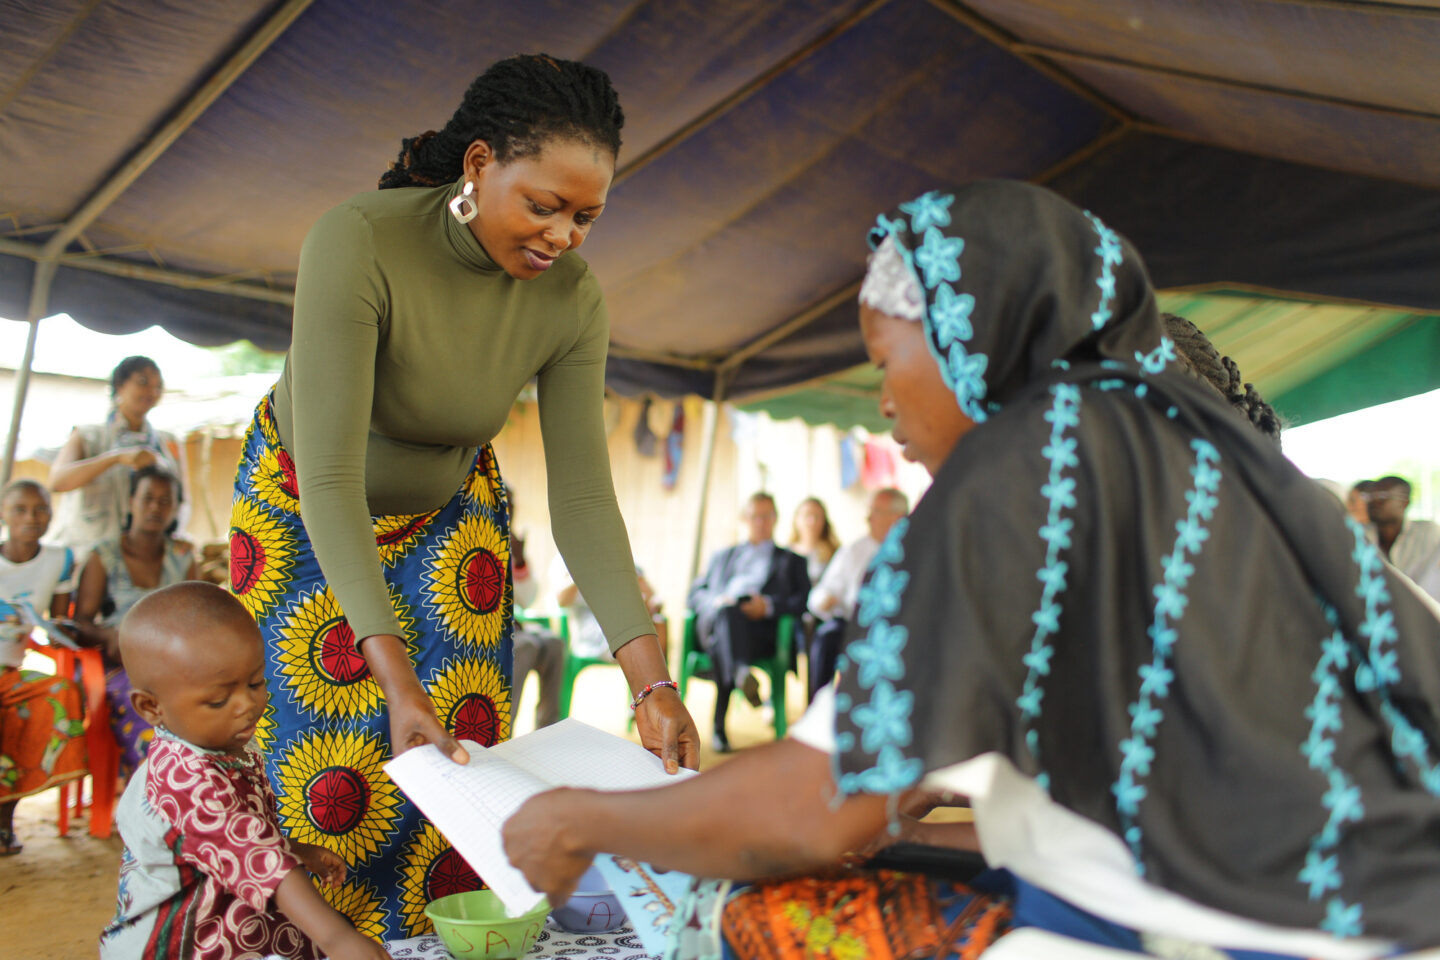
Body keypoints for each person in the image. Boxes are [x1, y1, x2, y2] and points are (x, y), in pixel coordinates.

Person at [502, 183, 1440, 957]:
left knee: (735, 920)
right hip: (1386, 913)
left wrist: (580, 819)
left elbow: (814, 806)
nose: (881, 402)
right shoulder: (1194, 452)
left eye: (883, 356)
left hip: (1244, 933)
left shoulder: (1028, 469)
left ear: (972, 335)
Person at [226, 53, 697, 937]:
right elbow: (328, 476)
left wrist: (651, 682)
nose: (563, 236)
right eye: (544, 206)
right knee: (328, 785)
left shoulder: (573, 300)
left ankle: (438, 947)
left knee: (463, 765)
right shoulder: (357, 239)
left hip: (451, 514)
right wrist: (393, 673)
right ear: (478, 165)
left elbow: (587, 502)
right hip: (303, 506)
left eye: (586, 216)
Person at [100, 582, 387, 960]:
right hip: (184, 941)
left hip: (235, 918)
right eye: (219, 699)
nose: (247, 705)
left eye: (256, 682)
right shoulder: (183, 776)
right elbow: (252, 853)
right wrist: (339, 940)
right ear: (152, 707)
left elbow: (233, 834)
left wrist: (294, 850)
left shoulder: (215, 741)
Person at [71, 466, 197, 774]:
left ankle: (195, 789)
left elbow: (198, 617)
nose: (155, 507)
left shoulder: (183, 556)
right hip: (118, 663)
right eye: (148, 499)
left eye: (165, 500)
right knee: (145, 703)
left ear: (175, 508)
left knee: (208, 702)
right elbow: (81, 623)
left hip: (172, 663)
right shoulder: (105, 555)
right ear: (131, 502)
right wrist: (110, 636)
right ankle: (152, 798)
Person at [0, 479, 86, 855]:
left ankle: (5, 818)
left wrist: (60, 630)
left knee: (59, 692)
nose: (31, 518)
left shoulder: (59, 560)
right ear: (3, 513)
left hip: (9, 673)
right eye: (20, 509)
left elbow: (59, 621)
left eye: (40, 509)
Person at [687, 492, 810, 752]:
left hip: (760, 633)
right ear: (746, 518)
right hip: (718, 623)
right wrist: (718, 602)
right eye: (756, 516)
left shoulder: (792, 561)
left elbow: (802, 602)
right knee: (728, 616)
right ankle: (741, 673)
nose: (761, 522)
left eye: (767, 516)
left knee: (727, 639)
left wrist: (768, 606)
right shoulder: (722, 556)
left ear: (775, 518)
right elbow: (694, 594)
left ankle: (720, 724)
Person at [48, 356, 186, 560]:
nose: (151, 392)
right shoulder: (88, 436)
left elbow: (183, 500)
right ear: (120, 385)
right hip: (86, 555)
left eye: (158, 386)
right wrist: (115, 459)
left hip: (140, 560)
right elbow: (57, 482)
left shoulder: (168, 443)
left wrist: (176, 534)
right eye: (143, 382)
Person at [805, 487, 909, 700]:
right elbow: (821, 593)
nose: (868, 518)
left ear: (897, 517)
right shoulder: (853, 551)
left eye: (876, 512)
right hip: (853, 623)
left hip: (899, 625)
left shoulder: (915, 549)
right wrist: (824, 600)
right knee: (827, 637)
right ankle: (818, 709)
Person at [1366, 475, 1440, 601]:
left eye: (1383, 496)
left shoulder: (1427, 533)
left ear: (1405, 502)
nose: (1374, 502)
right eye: (1370, 496)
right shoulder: (1359, 534)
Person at [790, 496, 840, 585]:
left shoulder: (834, 554)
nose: (812, 522)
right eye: (807, 515)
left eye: (817, 516)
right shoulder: (786, 555)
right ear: (797, 519)